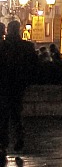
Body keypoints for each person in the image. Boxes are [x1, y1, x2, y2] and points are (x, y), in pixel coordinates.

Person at [0, 19, 37, 155]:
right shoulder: (27, 46)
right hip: (19, 84)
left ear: (8, 30)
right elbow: (34, 65)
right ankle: (19, 138)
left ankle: (3, 142)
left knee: (3, 115)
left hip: (3, 84)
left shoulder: (2, 46)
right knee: (16, 113)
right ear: (19, 30)